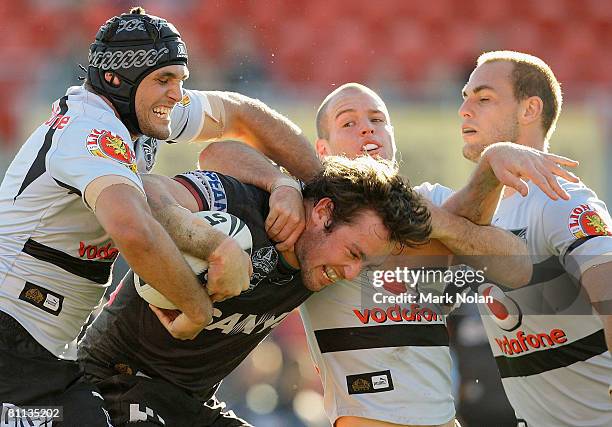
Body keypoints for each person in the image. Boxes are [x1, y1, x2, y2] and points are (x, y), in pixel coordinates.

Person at [0, 6, 320, 424]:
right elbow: (134, 230)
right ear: (115, 78)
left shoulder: (141, 111)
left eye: (180, 80)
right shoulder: (90, 131)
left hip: (43, 348)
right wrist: (197, 308)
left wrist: (309, 188)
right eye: (164, 80)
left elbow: (241, 114)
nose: (176, 93)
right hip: (12, 337)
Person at [197, 82, 580, 427]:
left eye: (378, 119)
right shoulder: (313, 207)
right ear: (323, 149)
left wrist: (429, 219)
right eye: (348, 123)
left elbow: (517, 267)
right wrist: (279, 182)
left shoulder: (432, 199)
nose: (367, 128)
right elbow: (216, 154)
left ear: (393, 138)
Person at [78, 155, 432, 426]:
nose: (352, 272)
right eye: (353, 254)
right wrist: (217, 247)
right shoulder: (250, 208)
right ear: (323, 212)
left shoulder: (319, 260)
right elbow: (148, 191)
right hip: (113, 384)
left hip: (190, 403)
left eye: (366, 265)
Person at [458, 51, 612, 427]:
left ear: (530, 110)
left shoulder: (559, 199)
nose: (464, 110)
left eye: (483, 98)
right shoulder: (484, 213)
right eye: (464, 97)